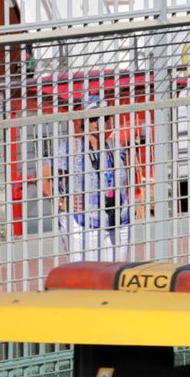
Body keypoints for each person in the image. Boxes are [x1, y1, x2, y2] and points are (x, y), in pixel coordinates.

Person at [55, 99, 135, 261]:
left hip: (117, 221)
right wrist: (61, 202)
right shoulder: (73, 147)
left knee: (114, 276)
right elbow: (43, 176)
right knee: (85, 277)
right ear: (84, 122)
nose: (99, 123)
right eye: (93, 119)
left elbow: (127, 176)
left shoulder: (116, 148)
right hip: (84, 224)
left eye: (103, 118)